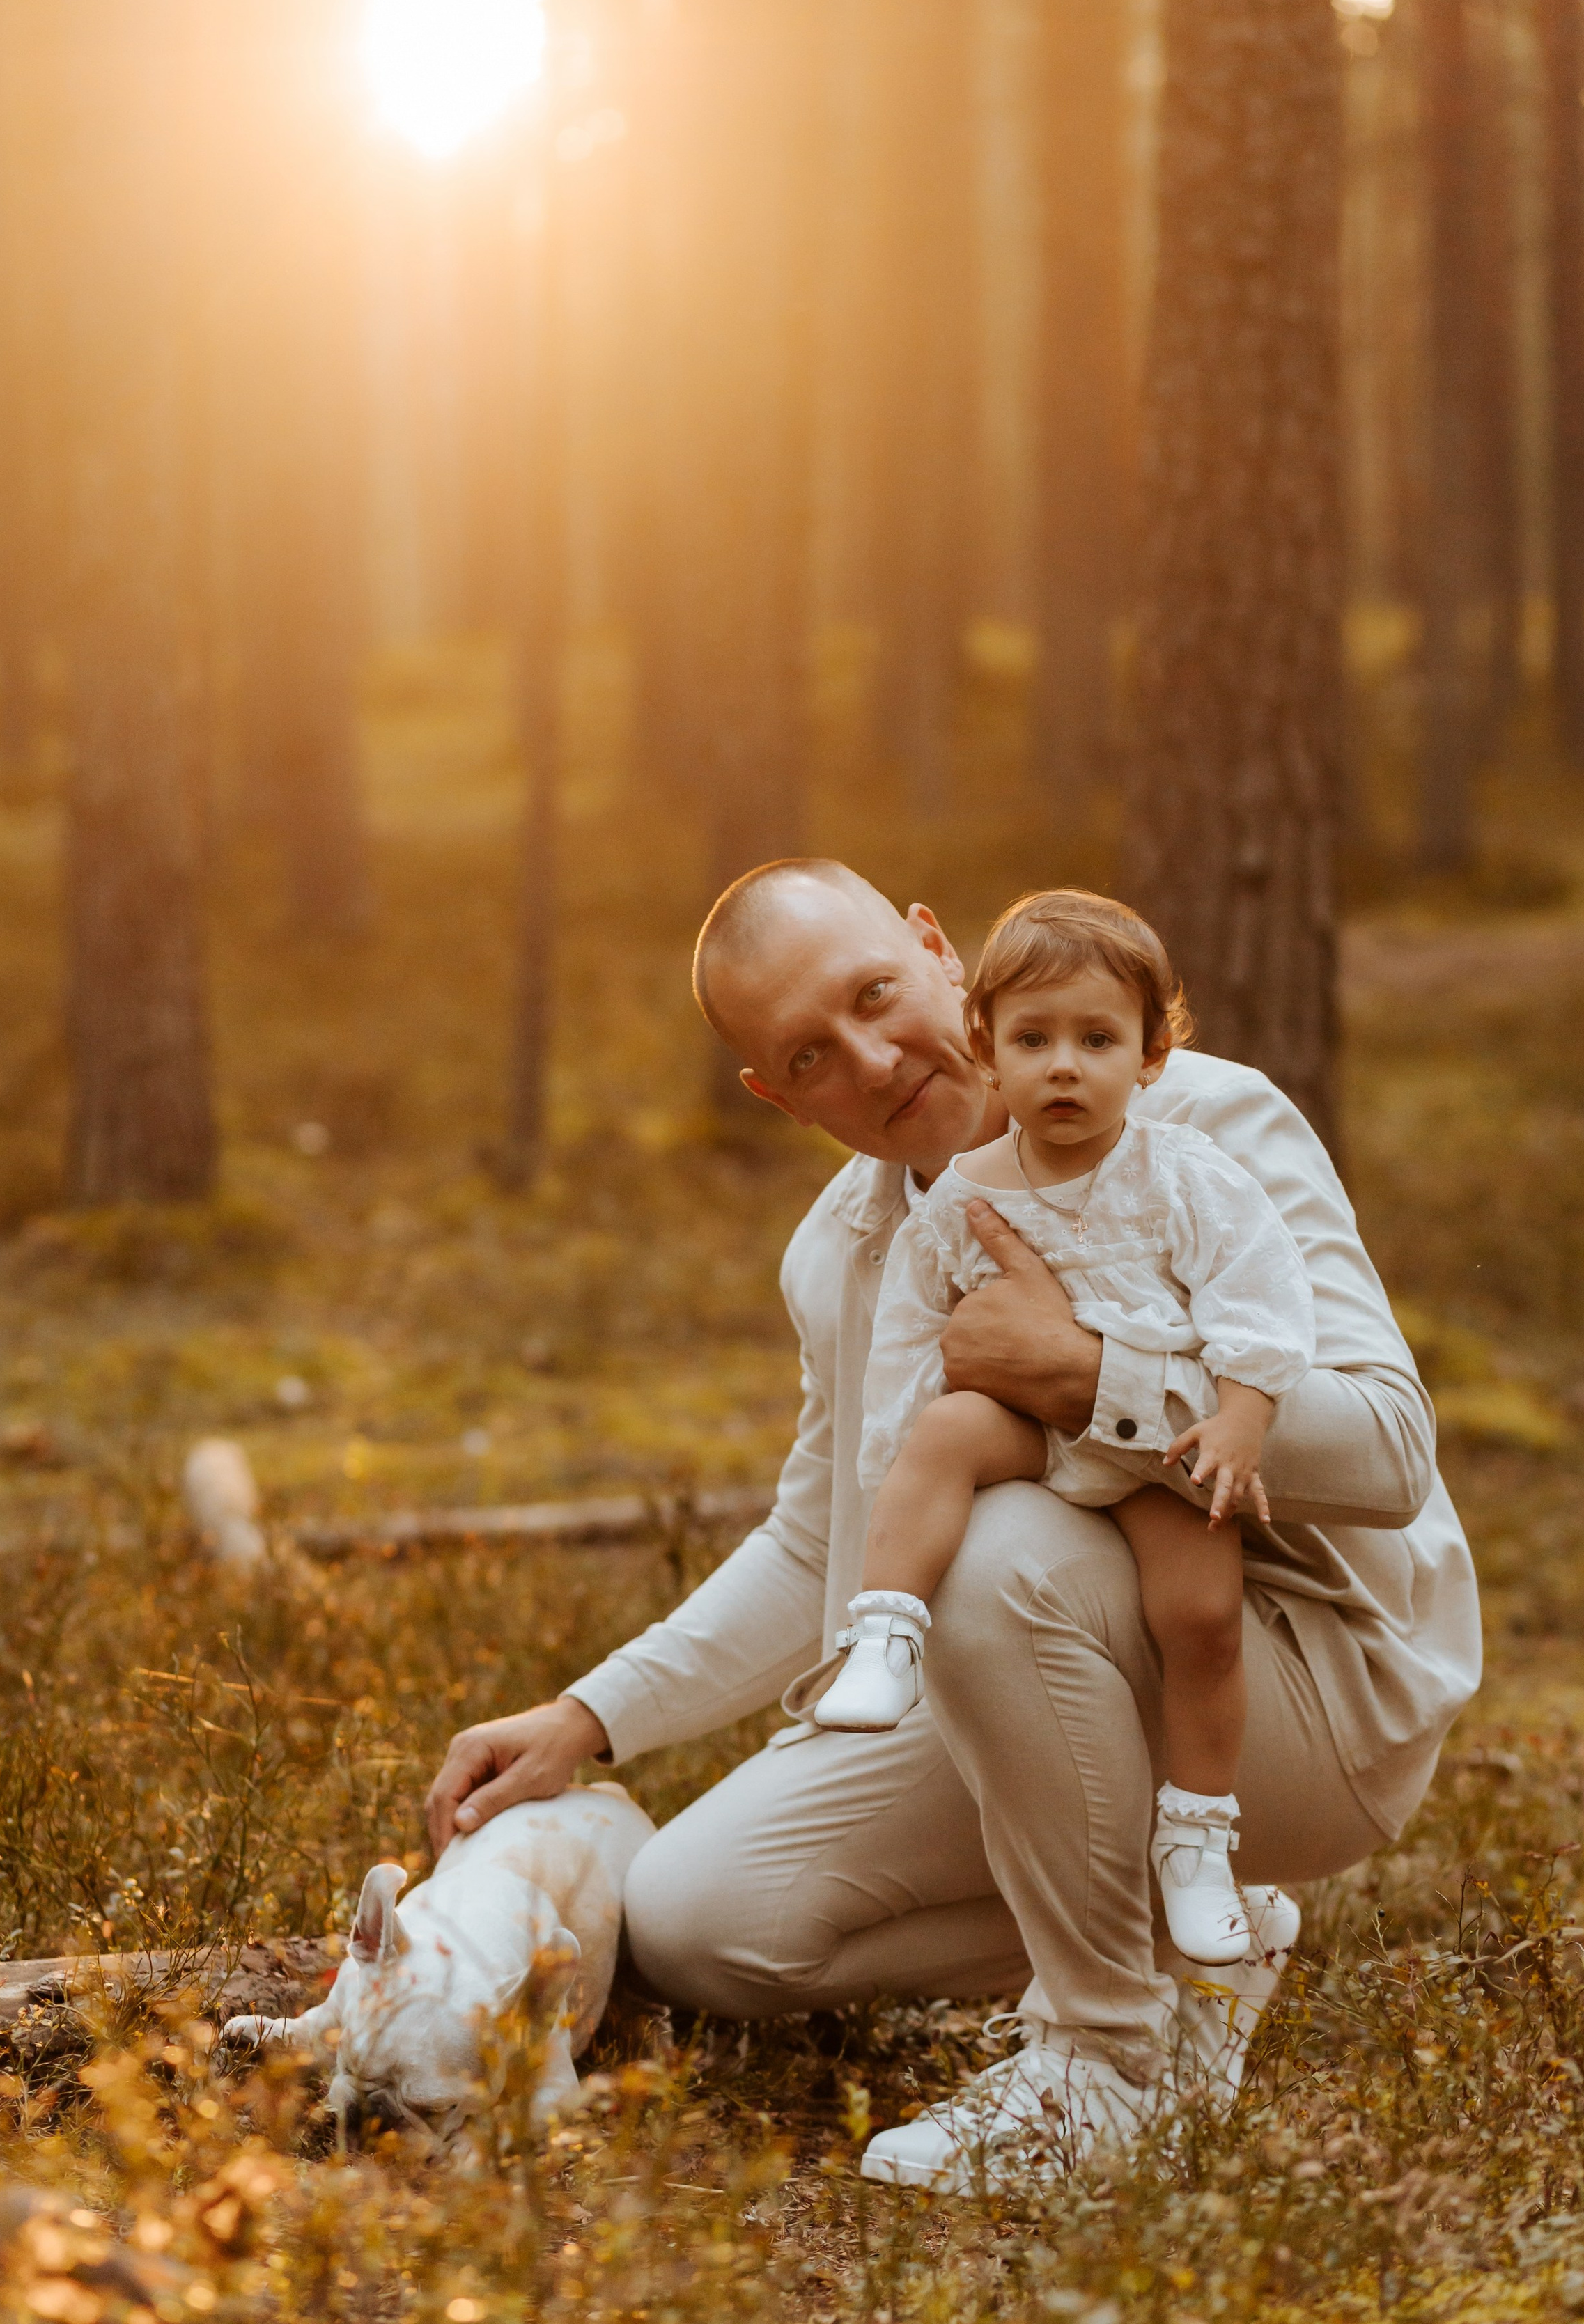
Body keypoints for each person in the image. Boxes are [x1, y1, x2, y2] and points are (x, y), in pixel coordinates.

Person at [426, 860, 1480, 2194]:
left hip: (1310, 1687)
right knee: (702, 1924)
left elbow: (1388, 1450)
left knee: (989, 1561)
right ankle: (1201, 1939)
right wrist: (588, 1716)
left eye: (877, 994)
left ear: (937, 950)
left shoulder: (1207, 1124)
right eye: (811, 1054)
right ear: (774, 1093)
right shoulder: (844, 1254)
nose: (871, 1059)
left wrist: (1088, 1374)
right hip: (1052, 1662)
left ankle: (1108, 2064)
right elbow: (821, 1542)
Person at [813, 890, 1315, 1975]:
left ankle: (1196, 1841)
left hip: (1148, 1449)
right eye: (1034, 1041)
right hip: (1024, 1434)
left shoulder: (1185, 1172)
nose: (1065, 1068)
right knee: (945, 1433)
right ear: (987, 1050)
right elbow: (910, 1334)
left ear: (1151, 1054)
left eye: (1098, 1040)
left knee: (1202, 1617)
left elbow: (1261, 1298)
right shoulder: (962, 1195)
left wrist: (1239, 1416)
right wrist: (898, 1446)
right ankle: (884, 1633)